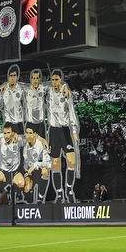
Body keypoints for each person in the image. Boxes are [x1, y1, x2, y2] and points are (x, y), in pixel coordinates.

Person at [45, 69, 81, 203]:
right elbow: (34, 85)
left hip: (65, 130)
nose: (54, 82)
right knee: (56, 163)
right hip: (53, 131)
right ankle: (59, 193)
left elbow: (71, 112)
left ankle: (69, 190)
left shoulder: (66, 94)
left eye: (56, 80)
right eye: (52, 80)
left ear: (61, 80)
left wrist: (74, 131)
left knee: (71, 161)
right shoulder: (48, 92)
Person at [21, 126, 52, 204]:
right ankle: (28, 196)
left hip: (39, 171)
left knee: (45, 171)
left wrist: (35, 165)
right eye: (27, 133)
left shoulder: (41, 145)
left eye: (30, 133)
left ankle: (40, 198)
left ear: (35, 134)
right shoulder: (24, 144)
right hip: (29, 172)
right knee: (27, 188)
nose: (28, 135)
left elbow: (49, 163)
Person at [23, 68, 49, 147]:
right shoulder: (26, 89)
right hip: (30, 123)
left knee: (41, 146)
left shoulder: (43, 88)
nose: (35, 80)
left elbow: (53, 84)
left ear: (40, 79)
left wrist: (64, 86)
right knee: (29, 146)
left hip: (40, 124)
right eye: (33, 78)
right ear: (31, 79)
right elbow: (15, 84)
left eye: (37, 78)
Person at [1, 65, 27, 135]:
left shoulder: (21, 89)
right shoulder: (4, 89)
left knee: (20, 141)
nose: (12, 78)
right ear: (8, 77)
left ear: (17, 77)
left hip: (18, 122)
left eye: (14, 75)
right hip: (8, 123)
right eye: (11, 75)